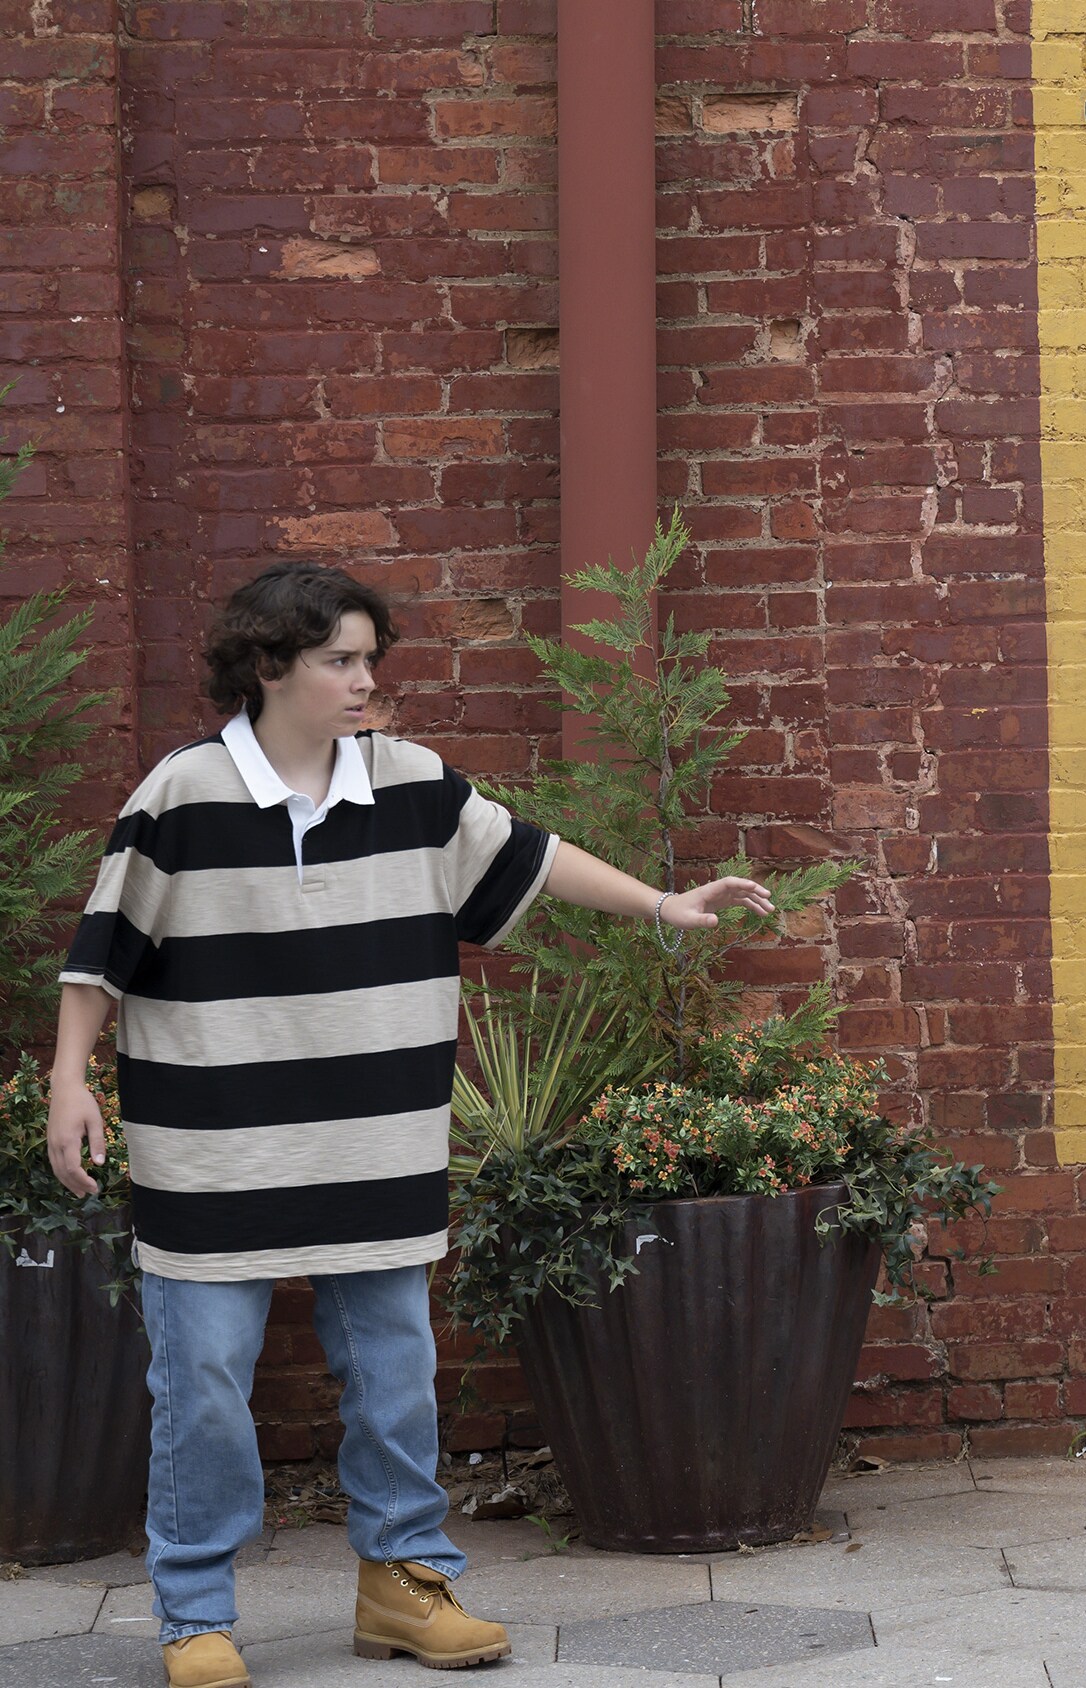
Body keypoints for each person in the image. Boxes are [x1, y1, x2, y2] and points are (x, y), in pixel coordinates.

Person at [47, 562, 775, 1688]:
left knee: (394, 1375)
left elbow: (527, 854)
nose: (363, 681)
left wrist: (664, 905)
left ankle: (402, 1580)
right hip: (214, 1152)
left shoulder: (415, 785)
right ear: (268, 665)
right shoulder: (181, 797)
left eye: (369, 659)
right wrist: (69, 1079)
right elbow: (102, 952)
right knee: (200, 1386)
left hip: (378, 1141)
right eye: (340, 659)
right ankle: (195, 1609)